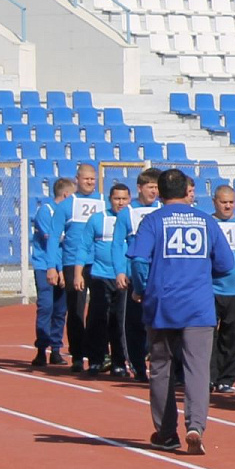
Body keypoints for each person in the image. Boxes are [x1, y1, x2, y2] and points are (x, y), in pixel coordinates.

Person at [126, 169, 235, 455]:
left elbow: (138, 261)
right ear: (187, 191)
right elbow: (226, 264)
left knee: (161, 369)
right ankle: (195, 425)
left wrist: (141, 288)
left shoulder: (153, 221)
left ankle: (166, 432)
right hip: (198, 305)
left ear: (160, 194)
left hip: (162, 304)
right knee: (197, 369)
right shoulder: (206, 221)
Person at [113, 167, 164, 381]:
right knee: (134, 323)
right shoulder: (127, 213)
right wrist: (120, 271)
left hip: (160, 276)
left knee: (159, 323)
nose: (154, 192)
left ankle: (161, 365)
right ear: (140, 188)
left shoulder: (163, 209)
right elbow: (118, 244)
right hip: (136, 276)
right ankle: (137, 366)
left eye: (157, 188)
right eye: (150, 187)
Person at [56, 163, 101, 371]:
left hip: (98, 262)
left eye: (92, 179)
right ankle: (77, 355)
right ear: (77, 180)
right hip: (73, 263)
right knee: (75, 311)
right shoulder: (66, 205)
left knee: (99, 309)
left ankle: (97, 355)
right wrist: (53, 266)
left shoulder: (103, 202)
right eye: (86, 179)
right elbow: (54, 238)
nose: (90, 182)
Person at [207, 185, 235, 395]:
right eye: (223, 202)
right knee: (209, 336)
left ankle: (226, 378)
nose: (227, 206)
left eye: (231, 202)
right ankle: (209, 377)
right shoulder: (208, 223)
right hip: (210, 290)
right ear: (214, 202)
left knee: (231, 337)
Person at [83, 182, 130, 376]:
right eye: (117, 199)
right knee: (98, 318)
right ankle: (97, 360)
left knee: (120, 321)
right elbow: (84, 247)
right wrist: (79, 273)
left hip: (125, 278)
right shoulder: (97, 219)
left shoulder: (133, 219)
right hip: (100, 277)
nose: (121, 202)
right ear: (110, 200)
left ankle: (120, 362)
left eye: (124, 199)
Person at [29, 177, 73, 367]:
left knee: (60, 310)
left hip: (64, 266)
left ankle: (56, 349)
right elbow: (52, 242)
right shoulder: (46, 211)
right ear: (66, 195)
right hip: (45, 265)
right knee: (46, 307)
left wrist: (63, 269)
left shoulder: (69, 215)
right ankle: (41, 349)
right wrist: (55, 268)